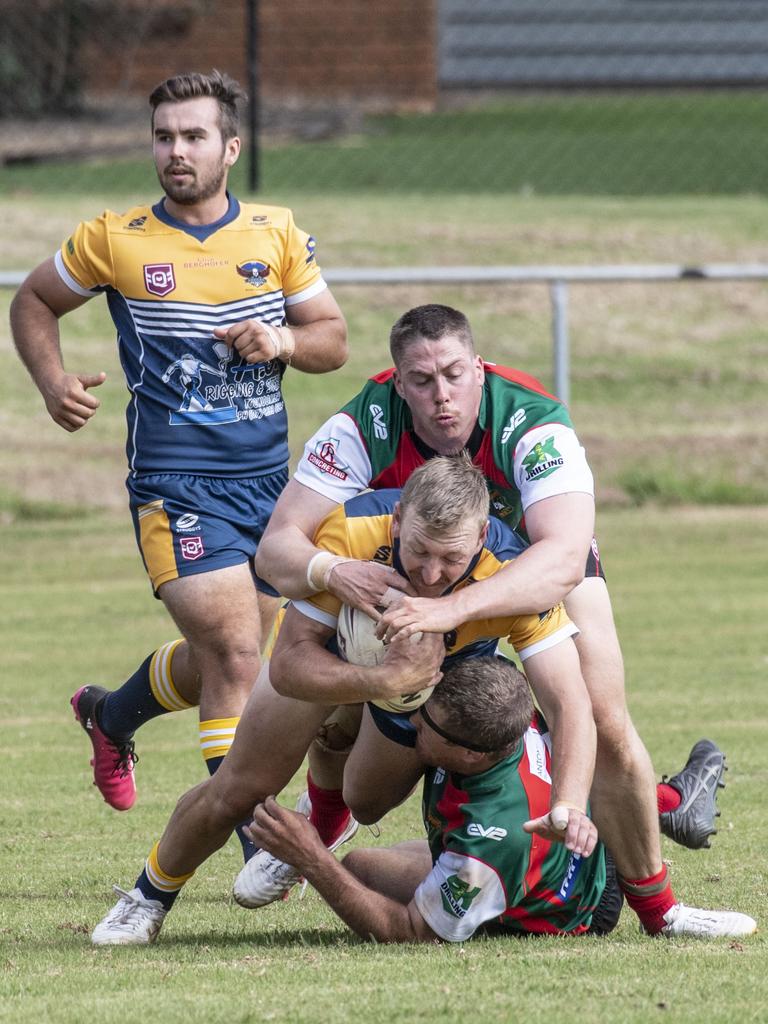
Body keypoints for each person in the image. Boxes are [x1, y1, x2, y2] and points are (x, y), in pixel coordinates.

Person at [250, 302, 731, 936]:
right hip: (414, 570)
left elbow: (561, 557)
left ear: (477, 368)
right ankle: (324, 814)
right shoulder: (363, 423)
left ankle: (659, 910)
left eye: (453, 374)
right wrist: (336, 573)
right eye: (421, 382)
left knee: (599, 714)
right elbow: (278, 548)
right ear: (399, 381)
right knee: (335, 665)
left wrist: (448, 610)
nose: (440, 394)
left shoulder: (532, 422)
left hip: (529, 568)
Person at [9, 71, 347, 834]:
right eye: (163, 137)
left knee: (225, 655)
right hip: (175, 483)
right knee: (234, 656)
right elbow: (33, 299)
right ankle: (254, 839)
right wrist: (51, 378)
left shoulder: (276, 232)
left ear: (231, 147)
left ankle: (110, 713)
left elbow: (334, 339)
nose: (175, 151)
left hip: (269, 486)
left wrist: (283, 339)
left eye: (193, 136)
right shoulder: (114, 237)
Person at [88, 456, 599, 945]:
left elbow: (568, 702)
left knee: (368, 801)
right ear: (398, 520)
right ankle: (146, 899)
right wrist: (380, 679)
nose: (431, 573)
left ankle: (324, 819)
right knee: (239, 788)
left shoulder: (511, 573)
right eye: (420, 550)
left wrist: (569, 803)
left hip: (432, 687)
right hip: (330, 658)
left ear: (482, 537)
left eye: (452, 558)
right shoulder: (354, 532)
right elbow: (288, 667)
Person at [246, 659, 755, 942]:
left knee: (356, 867)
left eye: (428, 724)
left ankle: (662, 818)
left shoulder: (491, 843)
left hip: (570, 908)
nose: (414, 723)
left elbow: (408, 932)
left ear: (470, 752)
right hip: (562, 848)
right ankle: (670, 803)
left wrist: (311, 858)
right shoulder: (510, 710)